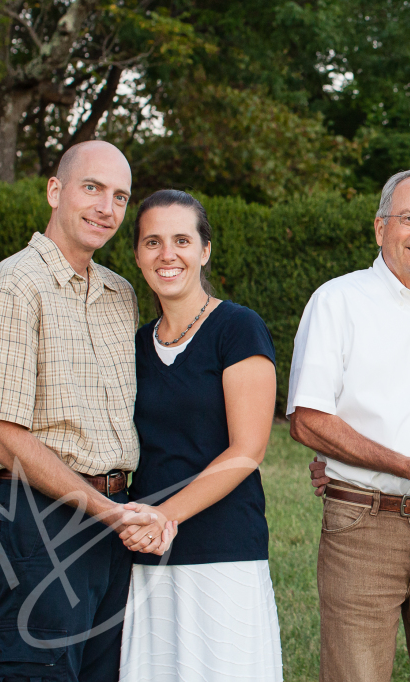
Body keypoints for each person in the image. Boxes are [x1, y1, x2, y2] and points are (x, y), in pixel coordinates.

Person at [0, 140, 170, 682]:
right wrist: (104, 511)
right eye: (92, 188)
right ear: (55, 191)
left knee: (103, 671)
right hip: (41, 519)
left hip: (115, 516)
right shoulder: (14, 286)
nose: (106, 207)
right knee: (37, 670)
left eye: (120, 197)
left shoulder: (120, 293)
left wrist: (119, 510)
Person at [287, 169, 410, 682]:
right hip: (363, 528)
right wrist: (404, 465)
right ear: (380, 229)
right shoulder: (337, 302)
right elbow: (308, 421)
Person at [117, 190, 282, 681]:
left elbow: (247, 451)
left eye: (181, 240)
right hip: (147, 552)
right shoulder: (133, 344)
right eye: (153, 242)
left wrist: (165, 516)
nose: (167, 254)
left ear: (204, 250)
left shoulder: (238, 328)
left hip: (221, 547)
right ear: (138, 255)